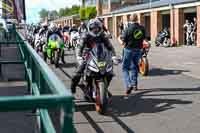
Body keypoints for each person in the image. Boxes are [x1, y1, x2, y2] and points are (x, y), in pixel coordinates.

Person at [70, 18, 116, 95]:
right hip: (87, 55)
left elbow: (109, 46)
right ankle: (73, 86)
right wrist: (79, 56)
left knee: (110, 72)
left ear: (100, 28)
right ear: (90, 28)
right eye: (93, 28)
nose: (95, 29)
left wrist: (113, 56)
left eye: (97, 27)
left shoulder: (102, 35)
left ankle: (104, 88)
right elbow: (80, 46)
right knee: (78, 73)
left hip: (100, 55)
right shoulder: (85, 35)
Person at [120, 14, 146, 96]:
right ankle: (134, 85)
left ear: (130, 20)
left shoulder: (127, 29)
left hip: (128, 50)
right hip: (138, 50)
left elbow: (123, 42)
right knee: (135, 66)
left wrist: (119, 40)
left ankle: (129, 84)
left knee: (125, 68)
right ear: (137, 19)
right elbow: (144, 39)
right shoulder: (142, 28)